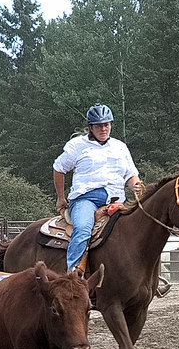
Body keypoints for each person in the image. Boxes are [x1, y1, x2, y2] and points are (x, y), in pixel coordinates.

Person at [52, 104, 170, 296]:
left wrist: (137, 187)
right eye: (99, 126)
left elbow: (130, 175)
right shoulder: (77, 146)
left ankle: (150, 279)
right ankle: (72, 278)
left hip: (116, 201)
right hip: (85, 200)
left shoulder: (120, 147)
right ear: (90, 127)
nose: (103, 129)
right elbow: (58, 168)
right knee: (82, 228)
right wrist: (60, 198)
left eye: (106, 125)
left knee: (143, 230)